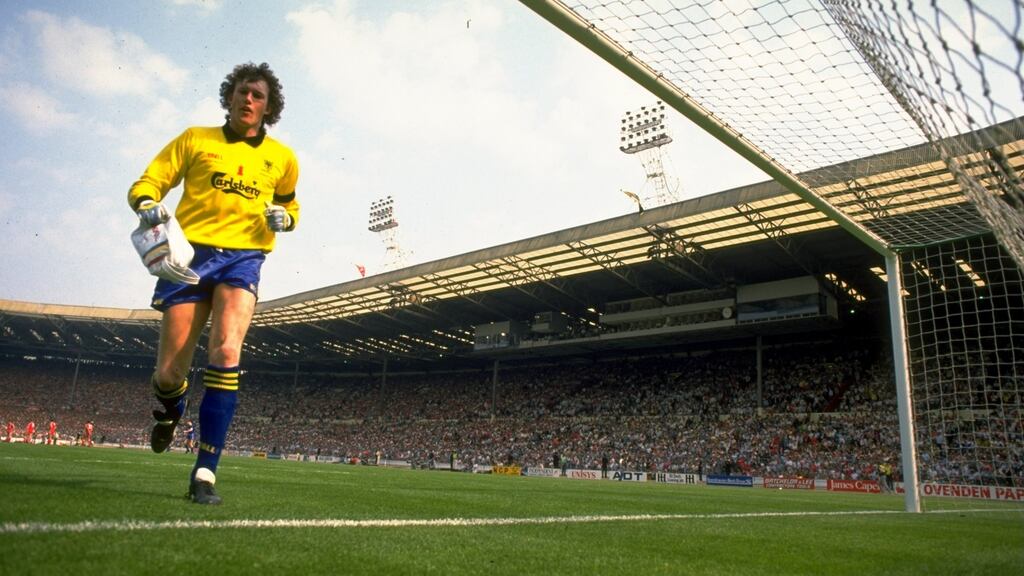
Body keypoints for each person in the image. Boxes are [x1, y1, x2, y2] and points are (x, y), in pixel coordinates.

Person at [128, 62, 300, 505]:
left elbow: (290, 205)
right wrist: (147, 203)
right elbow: (149, 182)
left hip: (244, 259)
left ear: (268, 106)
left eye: (258, 95)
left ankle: (205, 471)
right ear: (229, 97)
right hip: (190, 257)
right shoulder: (194, 139)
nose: (249, 100)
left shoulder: (283, 158)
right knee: (169, 373)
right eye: (243, 92)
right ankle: (169, 406)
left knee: (226, 349)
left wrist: (287, 218)